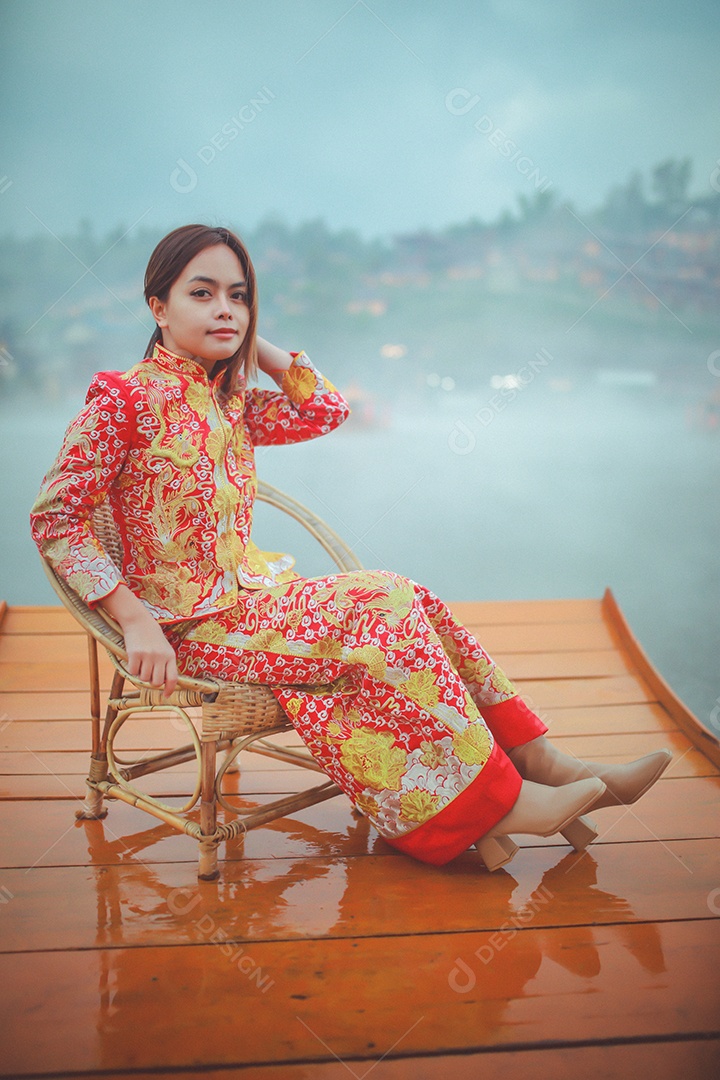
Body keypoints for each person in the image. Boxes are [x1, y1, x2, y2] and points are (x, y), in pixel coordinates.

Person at [30, 224, 671, 871]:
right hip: (184, 628)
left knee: (409, 599)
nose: (225, 308)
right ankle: (494, 800)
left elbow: (326, 410)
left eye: (240, 296)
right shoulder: (123, 398)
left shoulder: (233, 403)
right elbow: (56, 518)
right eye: (202, 293)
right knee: (382, 598)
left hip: (250, 605)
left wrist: (255, 348)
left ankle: (539, 761)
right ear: (158, 307)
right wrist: (134, 619)